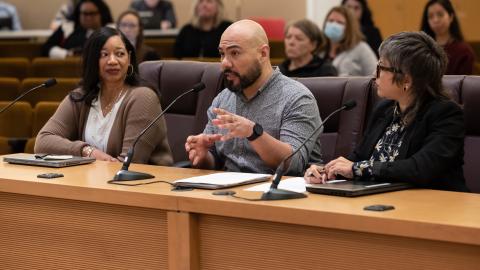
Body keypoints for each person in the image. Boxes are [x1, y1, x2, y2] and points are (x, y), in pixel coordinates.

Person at [305, 31, 468, 192]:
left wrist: (356, 168)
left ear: (406, 80)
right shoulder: (385, 110)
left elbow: (420, 168)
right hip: (384, 202)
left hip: (436, 208)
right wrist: (328, 171)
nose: (373, 74)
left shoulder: (446, 115)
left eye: (381, 67)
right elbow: (358, 159)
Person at [185, 20, 322, 175]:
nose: (224, 63)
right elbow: (215, 161)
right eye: (222, 54)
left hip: (282, 194)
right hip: (229, 193)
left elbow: (294, 164)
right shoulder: (223, 99)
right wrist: (203, 156)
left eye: (234, 53)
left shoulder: (297, 98)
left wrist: (253, 132)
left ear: (263, 54)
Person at [35, 27, 173, 165]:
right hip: (91, 181)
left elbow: (128, 165)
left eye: (119, 54)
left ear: (129, 58)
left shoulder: (143, 97)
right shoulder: (81, 97)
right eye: (104, 54)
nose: (112, 61)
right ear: (93, 60)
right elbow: (42, 142)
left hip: (141, 184)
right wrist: (87, 151)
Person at [42, 0, 113, 59]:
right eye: (85, 14)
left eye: (92, 14)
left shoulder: (111, 29)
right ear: (79, 14)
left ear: (101, 14)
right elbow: (46, 48)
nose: (88, 18)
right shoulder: (67, 27)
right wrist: (67, 54)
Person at [420, 0, 475, 75]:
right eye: (430, 16)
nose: (435, 20)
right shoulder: (422, 49)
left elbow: (463, 84)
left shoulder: (464, 51)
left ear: (451, 17)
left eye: (440, 15)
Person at [322, 6, 377, 77]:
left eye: (340, 22)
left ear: (349, 27)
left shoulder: (362, 48)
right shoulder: (319, 49)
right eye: (331, 21)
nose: (334, 25)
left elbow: (375, 76)